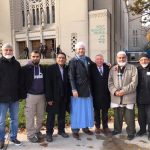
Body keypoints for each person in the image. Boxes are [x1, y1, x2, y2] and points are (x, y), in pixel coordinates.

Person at [108, 51, 138, 140]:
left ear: (126, 58)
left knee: (129, 116)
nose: (121, 59)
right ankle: (117, 129)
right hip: (116, 97)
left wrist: (123, 91)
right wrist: (115, 91)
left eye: (123, 57)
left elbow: (134, 83)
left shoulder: (132, 68)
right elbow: (110, 82)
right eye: (119, 58)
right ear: (117, 59)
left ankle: (131, 132)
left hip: (128, 97)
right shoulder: (113, 69)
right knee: (117, 115)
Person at [68, 41, 94, 139]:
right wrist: (74, 89)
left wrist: (105, 64)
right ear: (76, 50)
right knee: (77, 111)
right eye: (79, 49)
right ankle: (75, 130)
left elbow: (95, 66)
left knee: (87, 110)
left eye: (82, 48)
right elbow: (71, 77)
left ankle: (85, 128)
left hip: (87, 89)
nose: (81, 50)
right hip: (78, 91)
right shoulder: (73, 61)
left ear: (85, 50)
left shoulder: (87, 59)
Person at [21, 50, 46, 143]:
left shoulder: (43, 68)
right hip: (30, 96)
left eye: (37, 56)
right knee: (30, 116)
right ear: (30, 57)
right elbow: (22, 83)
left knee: (40, 116)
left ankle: (37, 131)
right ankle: (30, 135)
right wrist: (24, 95)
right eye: (33, 56)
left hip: (42, 96)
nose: (35, 58)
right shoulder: (25, 69)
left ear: (40, 57)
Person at [0, 43, 22, 149]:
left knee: (15, 119)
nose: (8, 52)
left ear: (13, 51)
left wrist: (20, 94)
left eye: (10, 50)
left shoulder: (17, 64)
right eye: (6, 50)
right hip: (2, 98)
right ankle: (1, 139)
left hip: (14, 98)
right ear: (2, 51)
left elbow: (20, 81)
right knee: (1, 121)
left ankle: (13, 137)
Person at [45, 52, 70, 142]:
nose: (61, 59)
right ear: (56, 59)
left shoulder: (67, 68)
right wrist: (49, 98)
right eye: (59, 58)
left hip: (64, 97)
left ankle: (61, 130)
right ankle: (49, 133)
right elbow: (47, 85)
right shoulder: (50, 69)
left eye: (63, 58)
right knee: (51, 116)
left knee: (62, 115)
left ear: (65, 59)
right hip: (53, 98)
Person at [90, 54, 111, 135]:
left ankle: (105, 126)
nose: (99, 61)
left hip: (106, 94)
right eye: (97, 59)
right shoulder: (91, 68)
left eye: (101, 59)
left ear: (103, 60)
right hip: (95, 94)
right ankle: (97, 127)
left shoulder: (107, 67)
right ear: (95, 61)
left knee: (105, 112)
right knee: (96, 112)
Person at [136, 53, 150, 140]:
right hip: (140, 98)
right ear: (139, 61)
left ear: (149, 60)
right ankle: (142, 130)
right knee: (141, 116)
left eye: (145, 59)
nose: (144, 61)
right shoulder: (137, 69)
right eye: (142, 60)